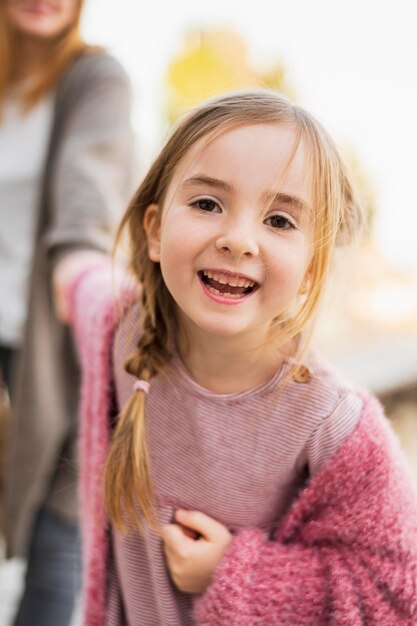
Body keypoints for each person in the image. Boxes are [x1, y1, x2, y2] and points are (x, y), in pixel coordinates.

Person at [59, 90, 417, 625]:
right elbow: (79, 282)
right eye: (207, 204)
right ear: (155, 230)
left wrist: (234, 573)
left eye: (279, 220)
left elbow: (396, 593)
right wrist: (64, 263)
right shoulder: (121, 328)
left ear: (312, 269)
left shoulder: (335, 427)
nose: (239, 240)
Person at [0, 0, 135, 624]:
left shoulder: (95, 78)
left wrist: (78, 257)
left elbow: (91, 172)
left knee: (62, 531)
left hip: (55, 340)